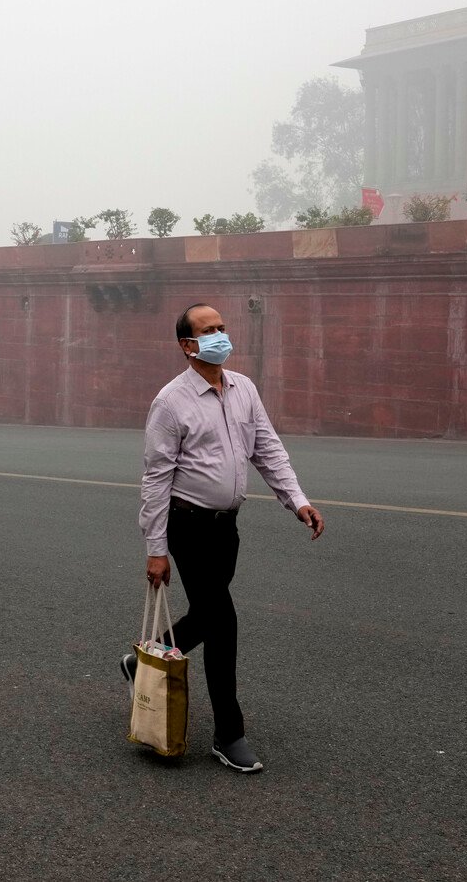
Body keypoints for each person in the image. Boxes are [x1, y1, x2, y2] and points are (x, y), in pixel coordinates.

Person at [125, 303, 325, 775]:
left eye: (222, 327)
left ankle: (143, 663)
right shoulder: (170, 402)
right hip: (187, 525)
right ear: (187, 345)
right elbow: (155, 479)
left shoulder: (244, 389)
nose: (220, 335)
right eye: (208, 330)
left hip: (226, 529)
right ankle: (228, 733)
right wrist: (156, 550)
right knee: (224, 622)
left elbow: (268, 449)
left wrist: (296, 501)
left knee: (209, 615)